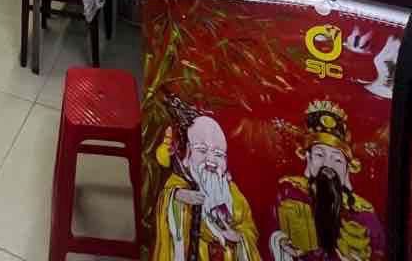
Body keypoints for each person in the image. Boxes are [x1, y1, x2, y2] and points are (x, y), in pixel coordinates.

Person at [269, 101, 384, 260]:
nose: (327, 164)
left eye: (337, 160)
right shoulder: (291, 192)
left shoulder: (364, 213)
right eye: (319, 155)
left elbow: (381, 252)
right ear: (308, 158)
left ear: (347, 168)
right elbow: (271, 231)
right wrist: (281, 242)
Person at [152, 114, 261, 260]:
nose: (211, 161)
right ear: (188, 153)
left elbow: (249, 229)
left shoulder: (231, 192)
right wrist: (176, 196)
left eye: (218, 154)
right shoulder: (179, 184)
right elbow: (166, 204)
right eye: (202, 150)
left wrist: (238, 237)